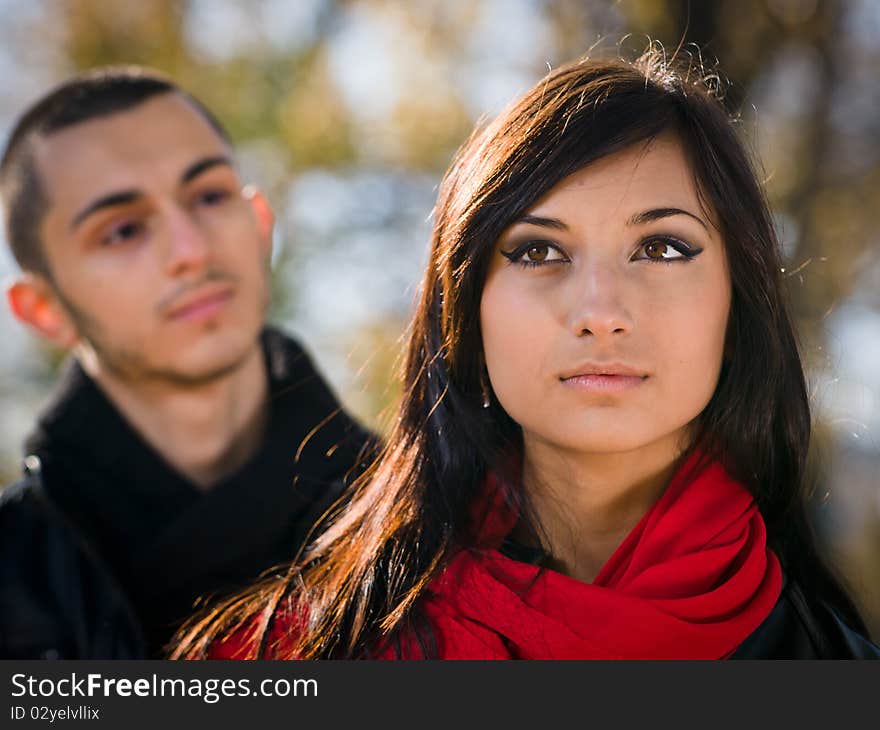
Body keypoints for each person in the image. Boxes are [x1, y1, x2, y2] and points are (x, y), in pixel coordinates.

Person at [175, 48, 879, 660]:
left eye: (662, 247)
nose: (601, 312)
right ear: (465, 311)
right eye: (539, 250)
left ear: (739, 303)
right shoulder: (285, 657)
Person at [0, 67, 375, 659]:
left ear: (259, 225)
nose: (191, 251)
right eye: (123, 230)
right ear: (44, 309)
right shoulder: (14, 592)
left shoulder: (440, 523)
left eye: (209, 196)